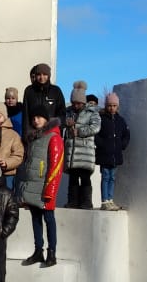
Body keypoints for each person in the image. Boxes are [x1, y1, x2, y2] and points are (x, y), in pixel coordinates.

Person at [16, 104, 63, 267]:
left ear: (46, 119)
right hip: (33, 187)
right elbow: (29, 165)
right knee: (35, 219)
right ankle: (38, 251)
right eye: (34, 118)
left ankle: (52, 253)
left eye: (39, 117)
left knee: (49, 220)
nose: (36, 120)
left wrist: (50, 190)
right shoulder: (34, 138)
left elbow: (56, 167)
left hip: (45, 188)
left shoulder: (54, 137)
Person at [62, 81, 101, 209]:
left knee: (85, 177)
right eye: (74, 103)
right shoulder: (67, 112)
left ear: (84, 102)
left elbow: (95, 128)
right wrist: (66, 127)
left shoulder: (92, 112)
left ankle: (86, 202)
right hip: (72, 152)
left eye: (78, 103)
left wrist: (79, 131)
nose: (76, 105)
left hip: (85, 152)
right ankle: (72, 201)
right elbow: (61, 127)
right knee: (73, 178)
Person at [95, 91, 131, 211]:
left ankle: (110, 200)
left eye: (114, 105)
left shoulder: (121, 120)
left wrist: (122, 145)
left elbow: (126, 134)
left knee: (112, 177)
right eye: (109, 105)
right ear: (106, 106)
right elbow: (96, 134)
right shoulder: (101, 119)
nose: (112, 108)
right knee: (105, 176)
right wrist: (102, 144)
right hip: (104, 154)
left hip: (116, 154)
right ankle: (105, 200)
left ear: (117, 106)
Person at [22, 63, 67, 129]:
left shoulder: (56, 91)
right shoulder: (29, 91)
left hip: (51, 131)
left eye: (44, 74)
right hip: (33, 133)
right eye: (39, 75)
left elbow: (62, 114)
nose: (41, 77)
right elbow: (25, 116)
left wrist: (57, 128)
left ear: (49, 75)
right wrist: (26, 135)